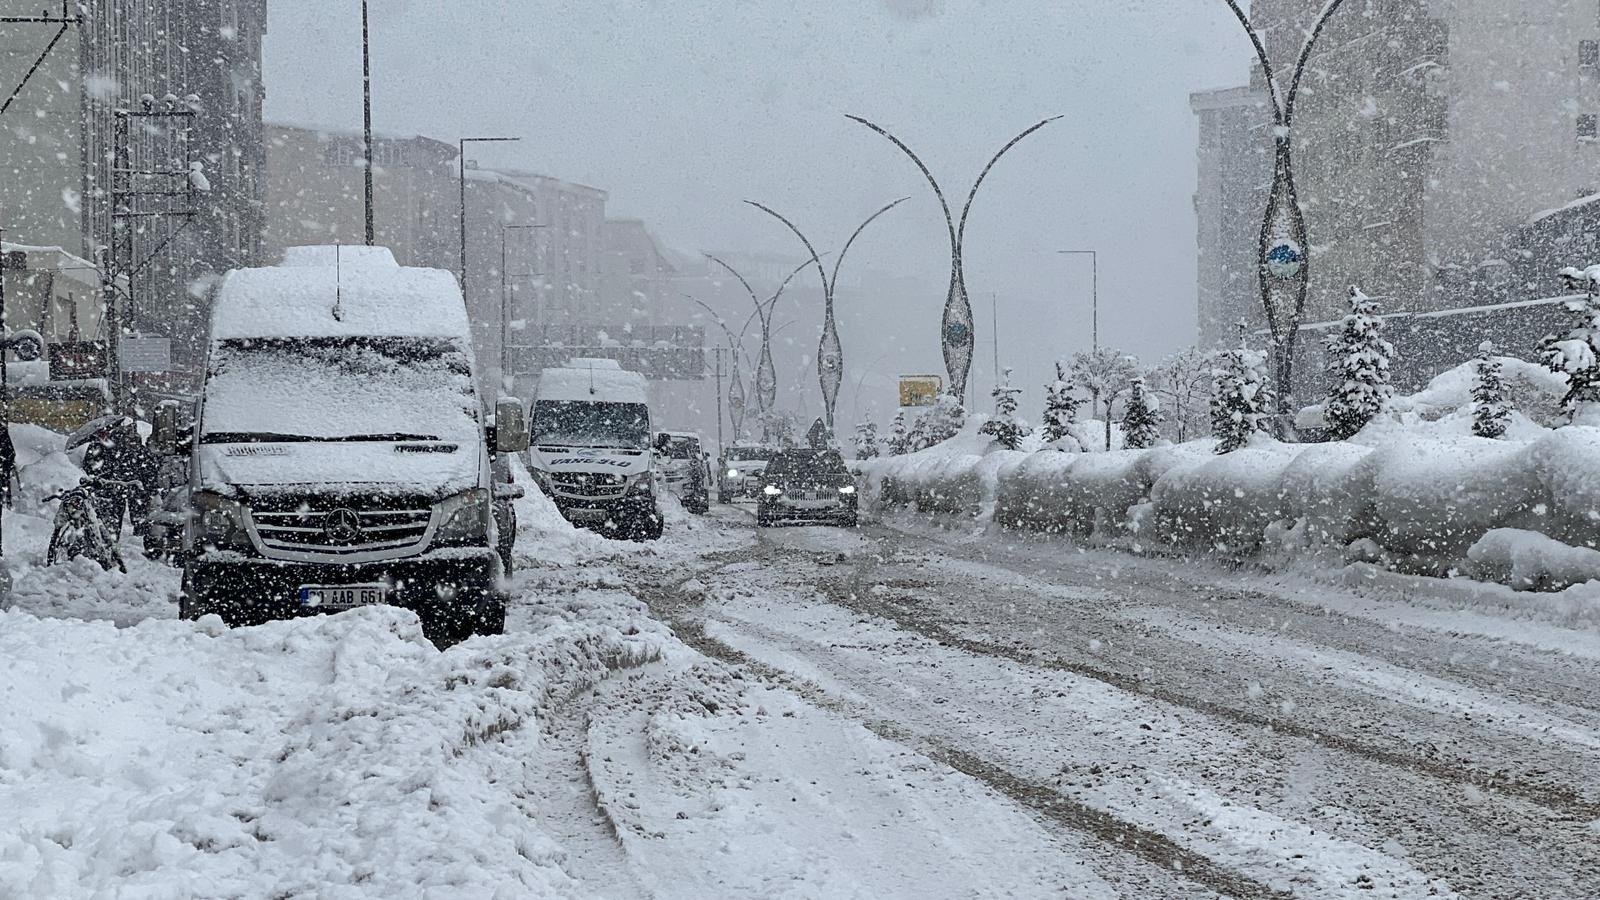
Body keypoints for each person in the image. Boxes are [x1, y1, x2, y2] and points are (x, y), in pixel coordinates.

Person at [83, 417, 156, 538]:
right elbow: (149, 469)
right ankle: (131, 533)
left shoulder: (103, 446)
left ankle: (116, 536)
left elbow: (91, 466)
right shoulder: (127, 448)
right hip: (120, 487)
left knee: (113, 521)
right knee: (122, 517)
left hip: (115, 487)